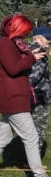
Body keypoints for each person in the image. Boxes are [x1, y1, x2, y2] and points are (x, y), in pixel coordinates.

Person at [0, 14, 51, 177]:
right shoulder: (5, 44)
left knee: (4, 136)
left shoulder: (12, 43)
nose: (26, 36)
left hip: (15, 96)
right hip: (13, 97)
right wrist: (32, 58)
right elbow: (13, 68)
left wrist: (30, 54)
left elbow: (17, 62)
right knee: (32, 137)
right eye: (24, 32)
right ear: (17, 29)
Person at [28, 25, 51, 153]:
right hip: (39, 96)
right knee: (39, 130)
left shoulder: (27, 49)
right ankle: (33, 162)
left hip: (33, 95)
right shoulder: (39, 52)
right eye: (47, 38)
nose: (49, 41)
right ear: (37, 38)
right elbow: (32, 77)